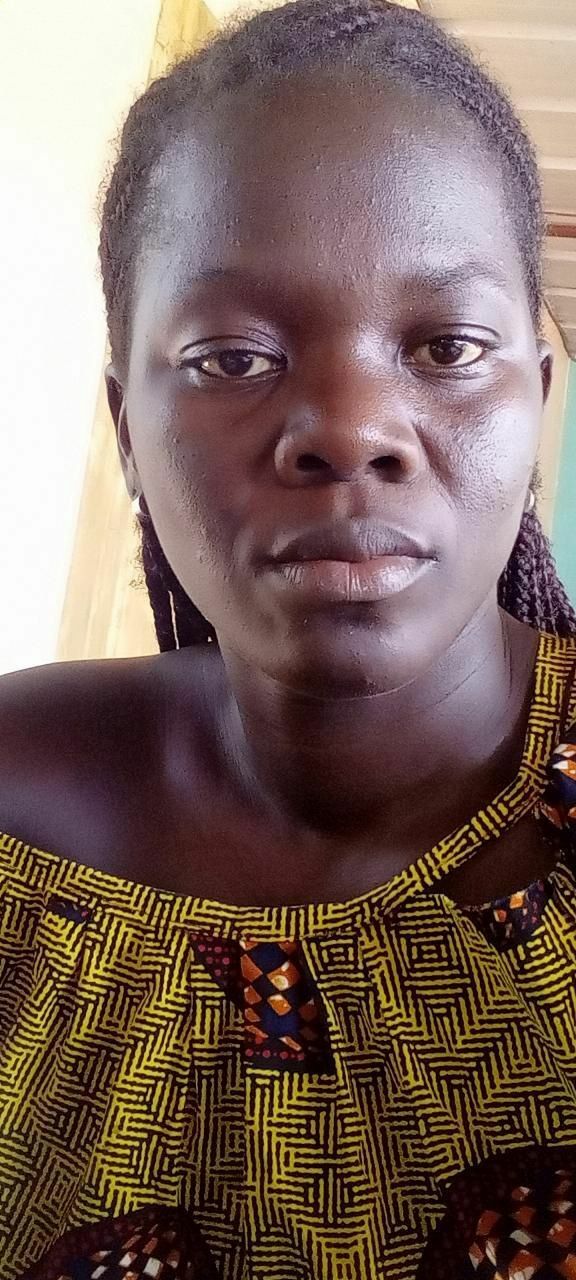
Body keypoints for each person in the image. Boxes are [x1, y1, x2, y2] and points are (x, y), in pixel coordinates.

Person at [1, 0, 576, 1275]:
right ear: (129, 432)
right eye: (231, 358)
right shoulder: (15, 795)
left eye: (447, 346)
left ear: (537, 395)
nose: (351, 426)